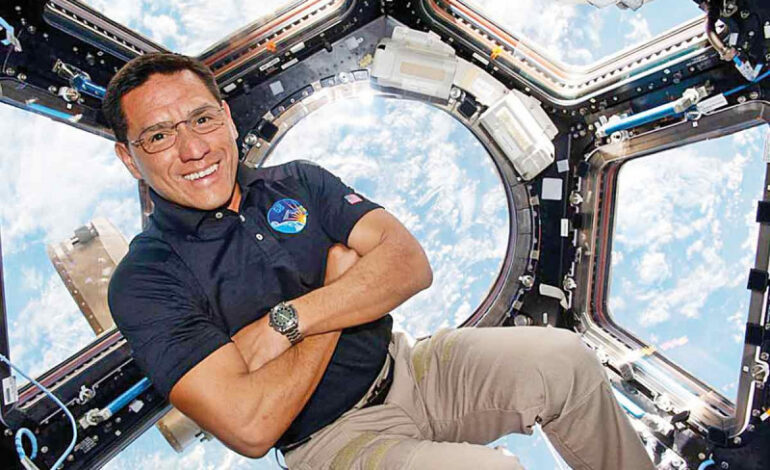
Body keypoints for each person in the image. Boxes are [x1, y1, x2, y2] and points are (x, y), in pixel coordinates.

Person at [104, 52, 654, 470]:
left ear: (226, 118)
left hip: (414, 367)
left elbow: (408, 264)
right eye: (159, 135)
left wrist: (286, 323)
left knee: (564, 360)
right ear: (129, 158)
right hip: (330, 440)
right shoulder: (145, 280)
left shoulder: (298, 181)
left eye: (201, 119)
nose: (193, 149)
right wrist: (338, 293)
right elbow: (250, 424)